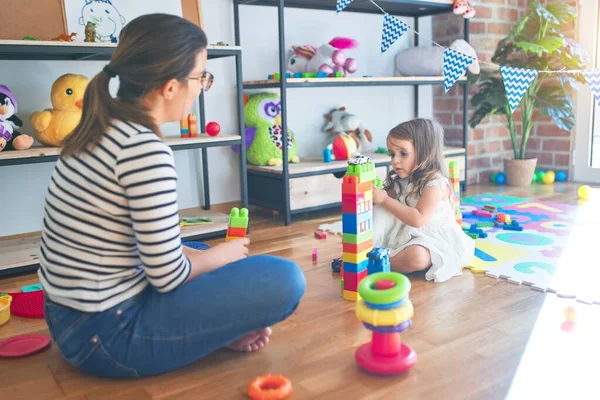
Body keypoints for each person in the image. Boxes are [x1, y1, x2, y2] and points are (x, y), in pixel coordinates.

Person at [38, 13, 306, 379]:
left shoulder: (96, 129)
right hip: (107, 336)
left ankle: (205, 332)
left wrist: (203, 258)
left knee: (195, 251)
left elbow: (137, 246)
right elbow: (167, 276)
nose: (201, 88)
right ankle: (203, 332)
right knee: (285, 277)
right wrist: (219, 256)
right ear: (169, 86)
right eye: (201, 78)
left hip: (66, 316)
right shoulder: (144, 149)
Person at [371, 118, 475, 283]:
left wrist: (384, 200)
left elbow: (418, 219)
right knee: (380, 211)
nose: (395, 160)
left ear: (424, 153)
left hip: (436, 240)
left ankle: (375, 264)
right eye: (392, 154)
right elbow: (385, 206)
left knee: (417, 257)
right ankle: (366, 253)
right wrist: (375, 196)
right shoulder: (403, 178)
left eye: (403, 153)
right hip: (408, 235)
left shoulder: (436, 183)